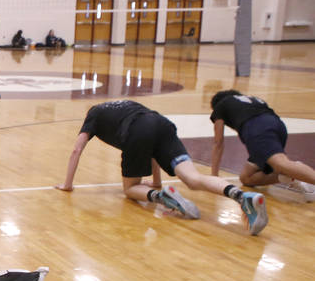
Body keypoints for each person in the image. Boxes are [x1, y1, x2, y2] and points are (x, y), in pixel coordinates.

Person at [56, 100, 269, 235]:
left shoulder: (93, 114)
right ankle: (242, 197)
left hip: (137, 132)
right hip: (161, 123)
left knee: (130, 189)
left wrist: (67, 184)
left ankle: (163, 198)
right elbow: (151, 142)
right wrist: (157, 181)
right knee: (193, 179)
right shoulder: (126, 105)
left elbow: (77, 149)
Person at [209, 89, 315, 201]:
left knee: (281, 164)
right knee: (246, 178)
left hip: (257, 129)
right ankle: (292, 175)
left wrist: (214, 177)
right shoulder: (253, 100)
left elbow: (218, 142)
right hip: (278, 126)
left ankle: (296, 171)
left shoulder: (221, 105)